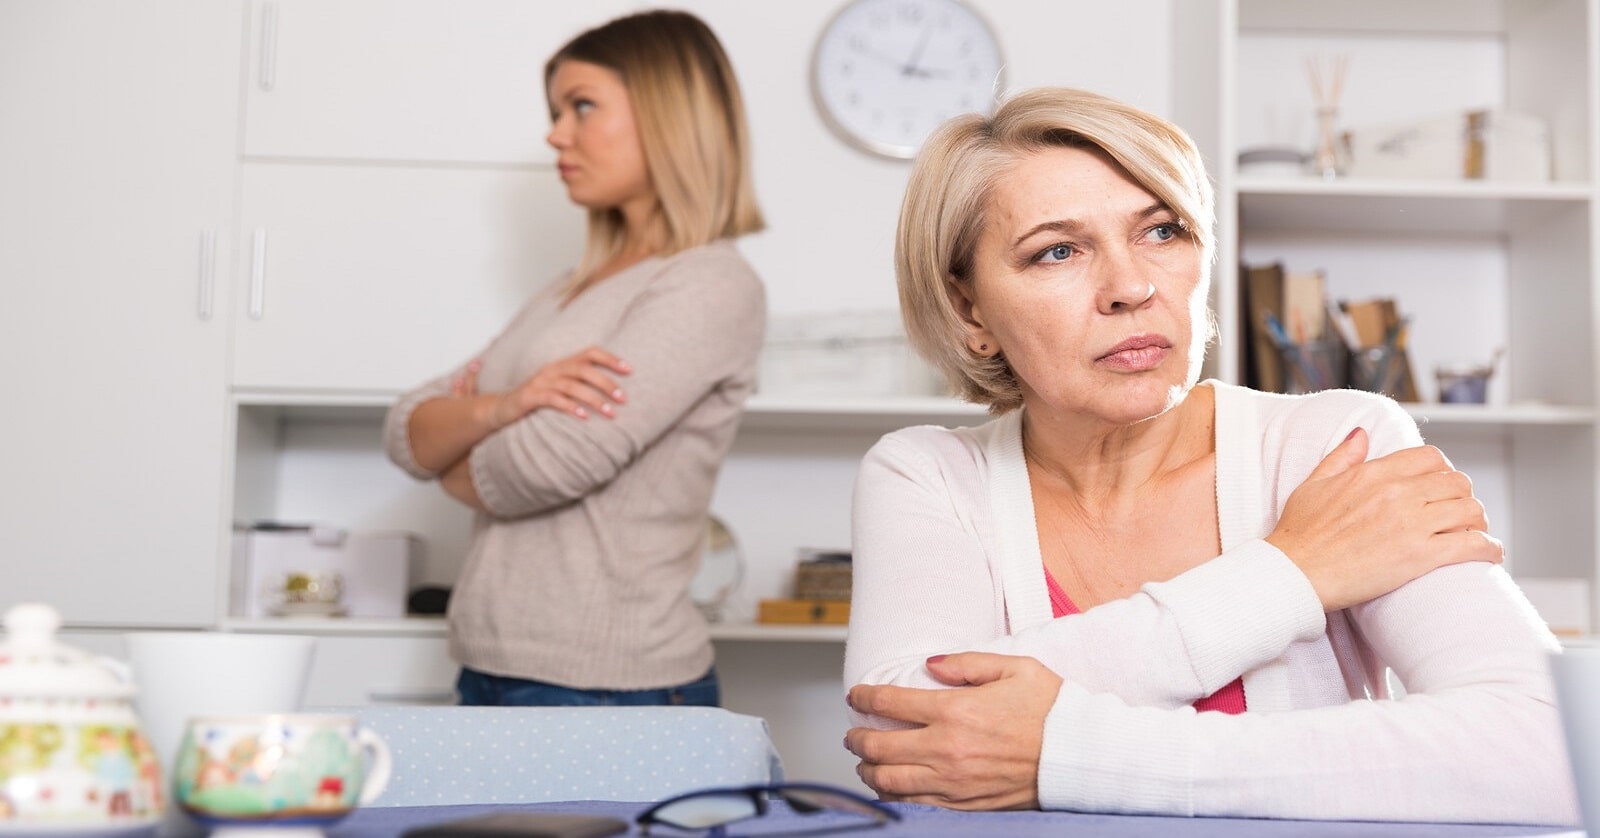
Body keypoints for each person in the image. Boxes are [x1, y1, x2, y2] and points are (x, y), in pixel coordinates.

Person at [840, 86, 1578, 824]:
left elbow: (1551, 749)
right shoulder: (927, 476)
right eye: (1057, 251)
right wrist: (1289, 575)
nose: (1132, 287)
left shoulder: (1333, 446)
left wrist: (1074, 755)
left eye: (1162, 232)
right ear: (970, 311)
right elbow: (903, 740)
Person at [383, 9, 765, 707]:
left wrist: (458, 446)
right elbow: (406, 429)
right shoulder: (569, 292)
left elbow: (546, 464)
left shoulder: (709, 282)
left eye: (581, 106)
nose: (556, 133)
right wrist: (507, 405)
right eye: (557, 110)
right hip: (491, 664)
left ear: (667, 115)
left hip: (605, 684)